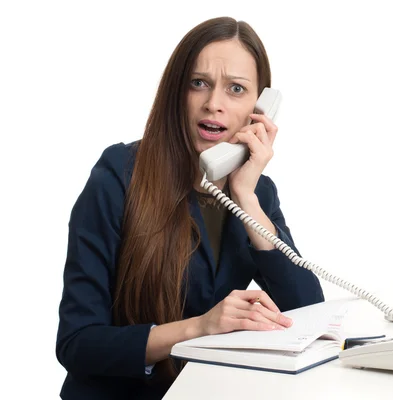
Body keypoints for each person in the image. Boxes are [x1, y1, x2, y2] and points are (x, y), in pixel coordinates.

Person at [55, 16, 325, 399]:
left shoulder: (257, 194)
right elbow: (77, 343)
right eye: (199, 83)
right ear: (177, 91)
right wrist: (199, 327)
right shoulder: (119, 175)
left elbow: (308, 313)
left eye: (236, 89)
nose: (213, 104)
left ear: (260, 108)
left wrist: (245, 196)